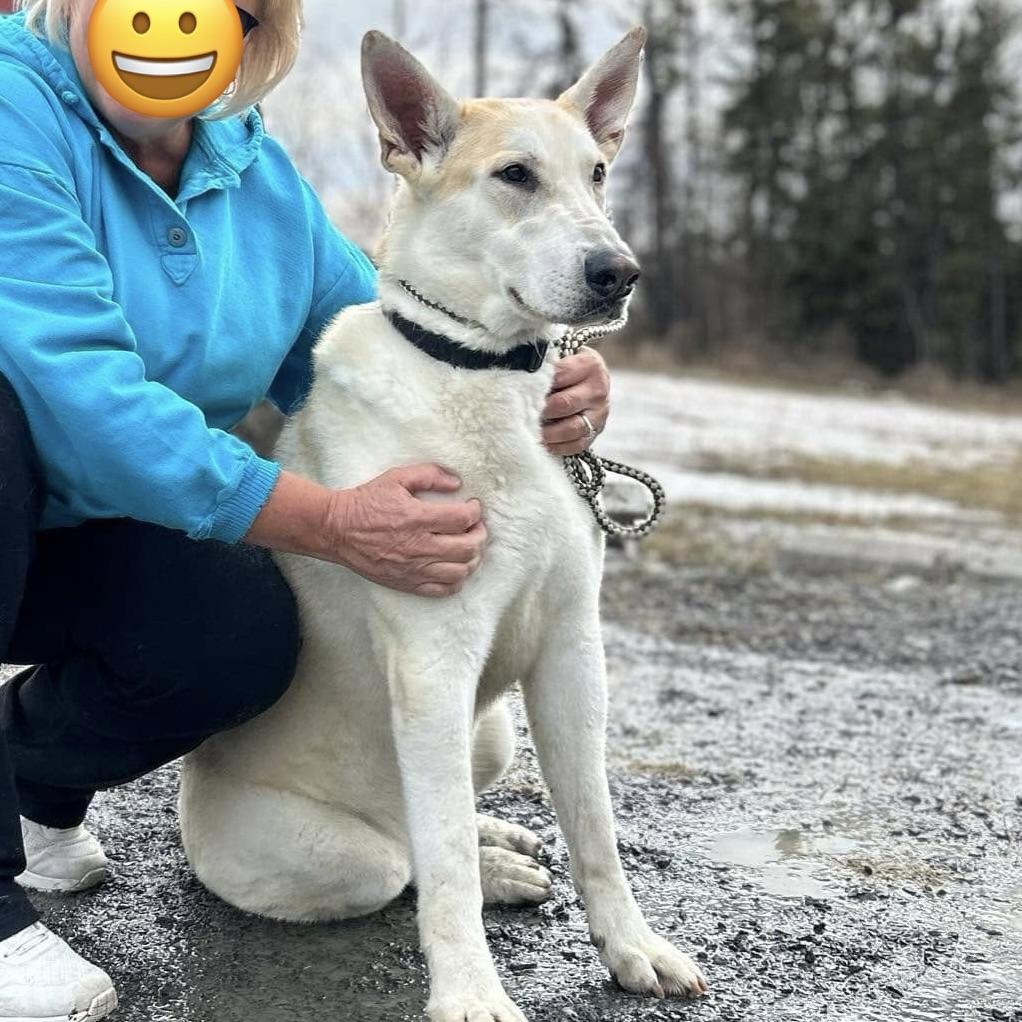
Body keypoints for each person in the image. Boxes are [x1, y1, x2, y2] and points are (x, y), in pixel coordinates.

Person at [0, 1, 614, 1019]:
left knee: (237, 626)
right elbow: (73, 383)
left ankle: (30, 781)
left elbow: (382, 329)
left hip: (73, 534)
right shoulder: (14, 107)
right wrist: (328, 518)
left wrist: (543, 367)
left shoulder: (246, 169)